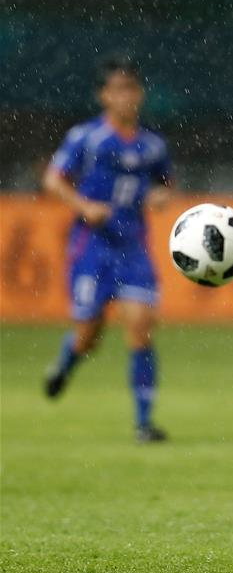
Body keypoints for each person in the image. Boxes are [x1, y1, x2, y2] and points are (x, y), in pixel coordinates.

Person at [42, 55, 173, 443]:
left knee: (140, 328)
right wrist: (84, 207)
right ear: (104, 95)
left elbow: (165, 183)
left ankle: (144, 423)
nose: (124, 96)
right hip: (92, 247)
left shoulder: (152, 145)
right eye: (116, 89)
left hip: (133, 247)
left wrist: (160, 197)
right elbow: (54, 178)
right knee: (88, 336)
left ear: (140, 93)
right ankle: (66, 362)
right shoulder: (87, 137)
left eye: (130, 88)